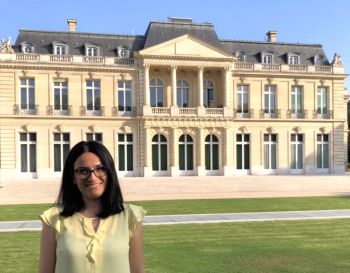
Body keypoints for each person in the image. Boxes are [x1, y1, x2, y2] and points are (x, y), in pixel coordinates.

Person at [38, 141, 146, 273]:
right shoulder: (54, 219)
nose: (92, 177)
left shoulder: (131, 217)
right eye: (83, 171)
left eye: (100, 169)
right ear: (73, 177)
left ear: (109, 172)